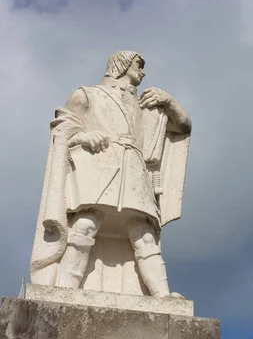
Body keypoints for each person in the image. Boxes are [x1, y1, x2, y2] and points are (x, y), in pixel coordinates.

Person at [31, 50, 191, 297]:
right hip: (99, 166)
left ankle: (162, 295)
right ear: (122, 64)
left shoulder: (146, 107)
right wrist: (84, 135)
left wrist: (168, 100)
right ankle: (64, 291)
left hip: (135, 170)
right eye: (139, 64)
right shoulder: (87, 94)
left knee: (144, 233)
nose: (143, 71)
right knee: (85, 224)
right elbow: (63, 129)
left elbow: (183, 126)